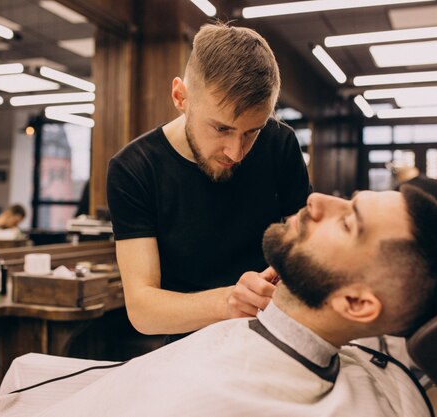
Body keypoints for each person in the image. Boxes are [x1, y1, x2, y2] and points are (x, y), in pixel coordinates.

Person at [0, 186, 437, 417]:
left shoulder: (214, 397)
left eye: (347, 220)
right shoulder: (363, 350)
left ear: (357, 303)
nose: (317, 199)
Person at [107, 22, 311, 337]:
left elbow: (305, 246)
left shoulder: (280, 143)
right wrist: (229, 302)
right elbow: (142, 309)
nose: (237, 152)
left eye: (252, 132)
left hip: (272, 332)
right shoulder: (134, 169)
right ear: (180, 97)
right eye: (221, 129)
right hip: (187, 345)